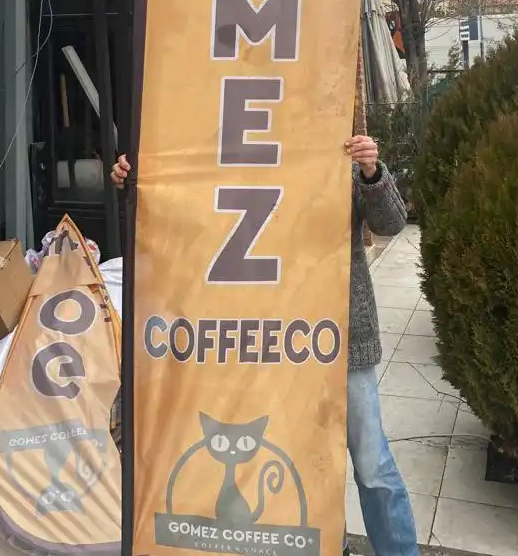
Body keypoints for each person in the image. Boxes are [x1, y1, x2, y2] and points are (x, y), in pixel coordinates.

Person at [111, 135, 419, 556]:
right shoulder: (225, 162)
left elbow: (392, 223)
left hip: (341, 341)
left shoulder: (332, 148)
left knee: (372, 464)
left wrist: (371, 172)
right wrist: (138, 181)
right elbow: (178, 220)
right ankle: (333, 544)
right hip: (273, 347)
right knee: (302, 458)